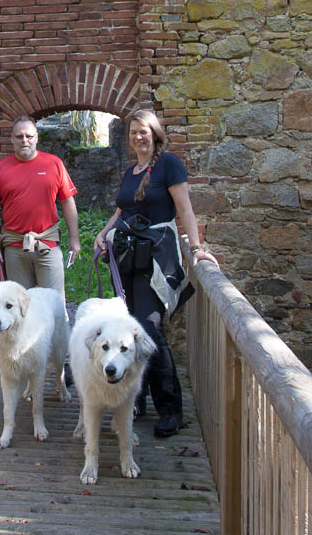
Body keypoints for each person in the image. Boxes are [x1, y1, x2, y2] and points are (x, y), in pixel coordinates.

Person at [93, 109, 218, 437]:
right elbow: (123, 210)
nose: (138, 136)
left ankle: (171, 409)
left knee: (148, 329)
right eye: (133, 131)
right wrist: (103, 234)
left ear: (155, 134)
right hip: (127, 259)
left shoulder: (168, 164)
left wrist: (195, 247)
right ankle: (138, 399)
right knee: (129, 329)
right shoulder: (131, 171)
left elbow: (185, 209)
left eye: (144, 131)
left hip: (156, 260)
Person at [0, 116, 81, 298]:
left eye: (29, 136)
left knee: (54, 306)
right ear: (12, 138)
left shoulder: (54, 164)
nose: (24, 140)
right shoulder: (0, 169)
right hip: (14, 247)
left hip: (47, 245)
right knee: (19, 307)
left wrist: (75, 238)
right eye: (19, 136)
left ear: (36, 137)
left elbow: (68, 201)